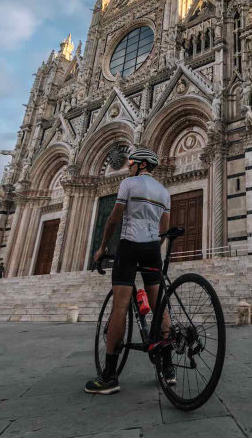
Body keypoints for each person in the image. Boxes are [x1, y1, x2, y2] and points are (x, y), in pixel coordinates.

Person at [85, 147, 174, 395]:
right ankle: (168, 368)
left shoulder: (129, 184)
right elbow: (163, 228)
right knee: (159, 307)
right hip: (152, 249)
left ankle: (110, 377)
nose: (129, 166)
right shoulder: (164, 192)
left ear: (140, 165)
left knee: (120, 307)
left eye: (131, 163)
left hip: (129, 245)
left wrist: (102, 248)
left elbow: (114, 219)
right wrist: (155, 250)